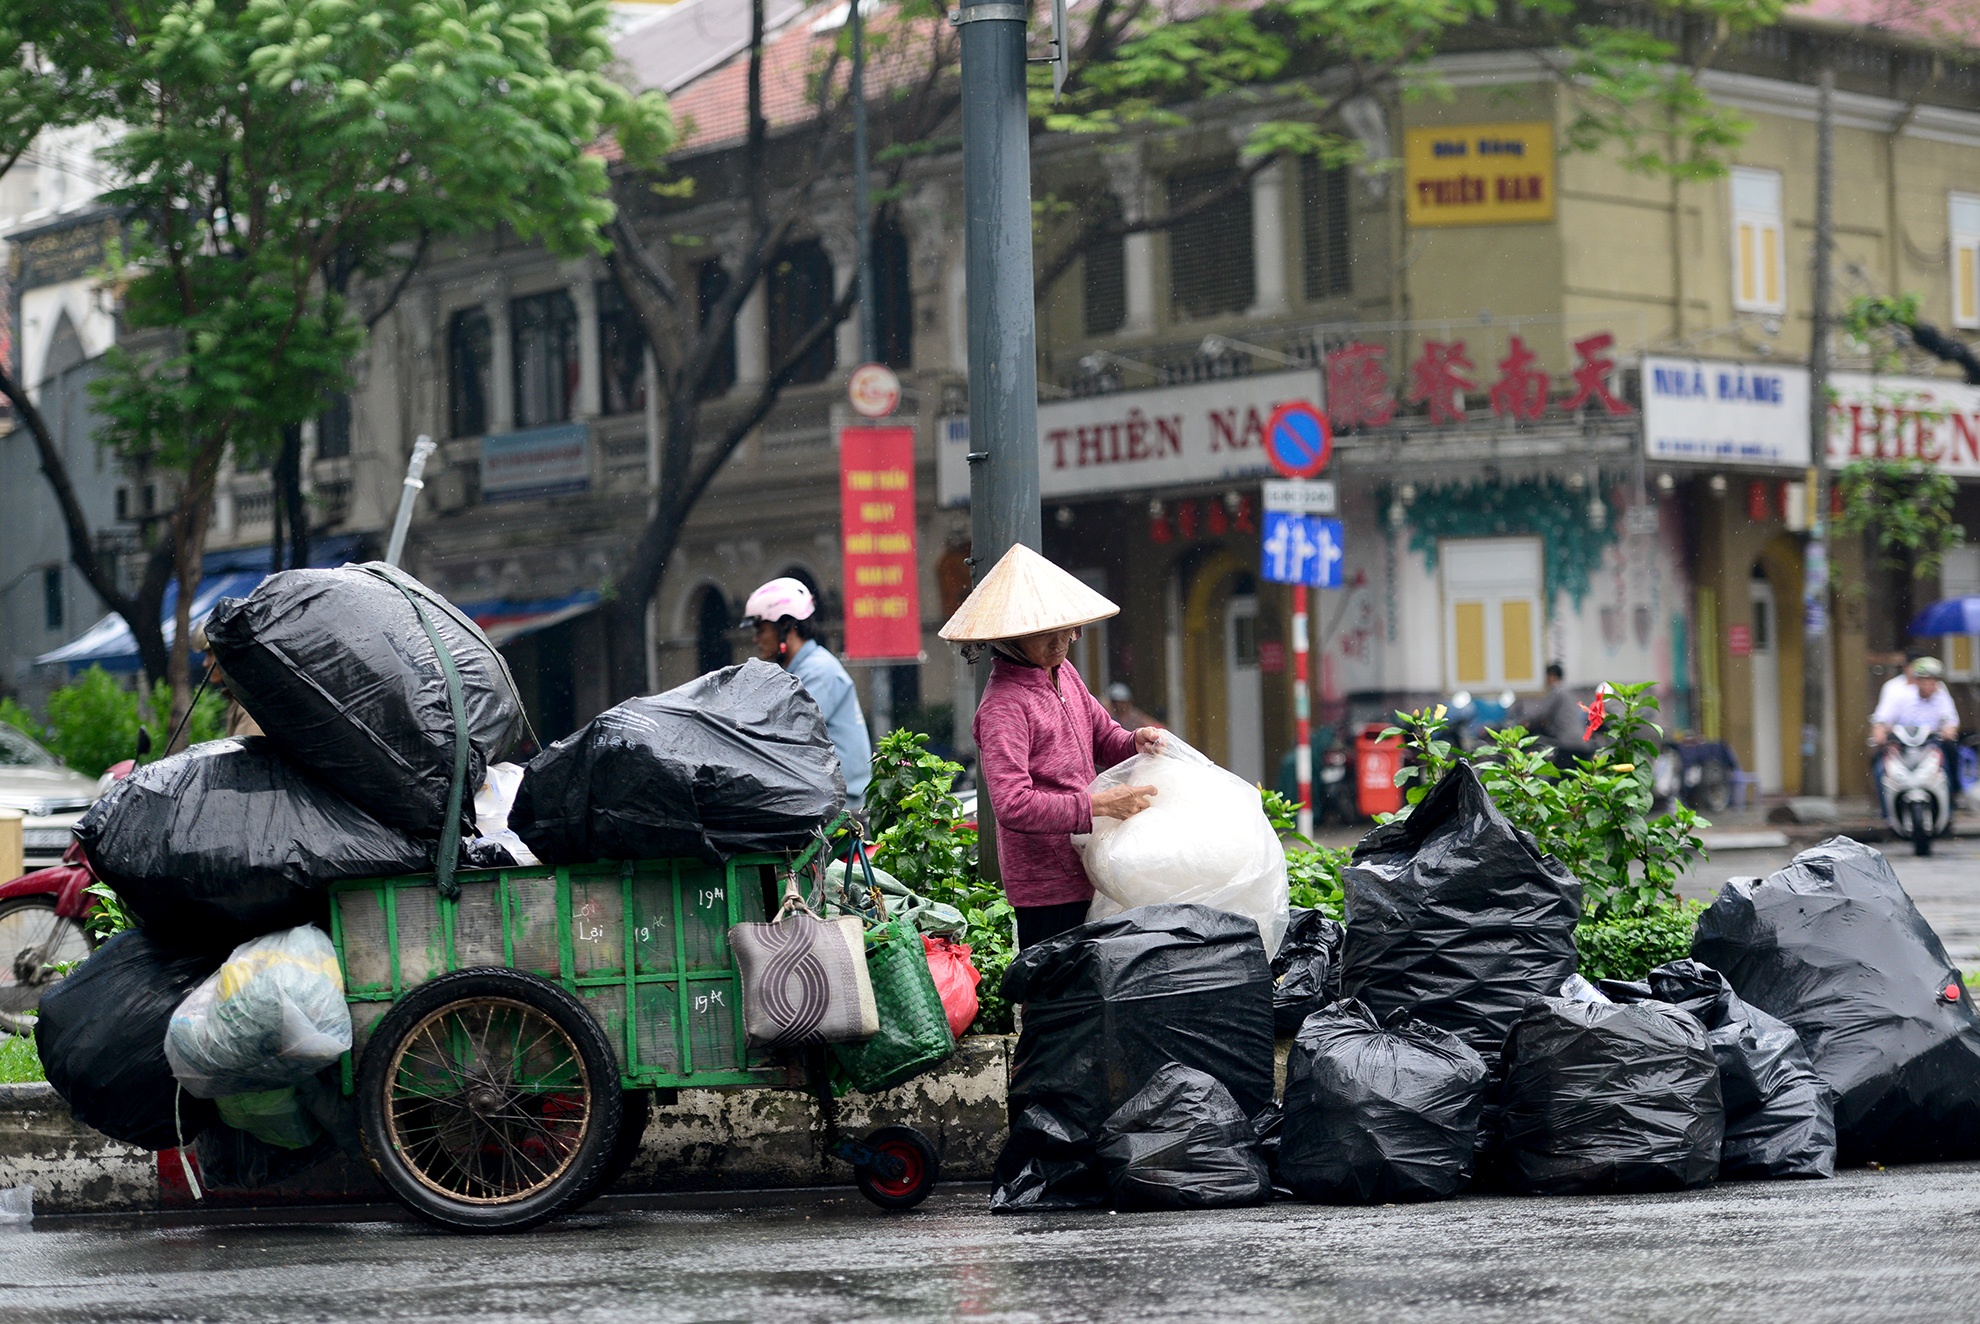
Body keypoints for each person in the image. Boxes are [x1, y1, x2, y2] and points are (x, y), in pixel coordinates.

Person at [940, 545, 1163, 951]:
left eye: (1068, 629)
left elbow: (1103, 737)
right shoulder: (1003, 706)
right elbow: (1013, 804)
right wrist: (1097, 805)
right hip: (1046, 886)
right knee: (1055, 1002)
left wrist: (1135, 741)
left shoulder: (1064, 674)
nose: (1064, 641)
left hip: (1088, 864)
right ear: (1012, 636)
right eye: (1049, 632)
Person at [741, 577, 872, 812]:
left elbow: (784, 736)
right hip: (821, 796)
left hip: (839, 803)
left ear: (786, 627)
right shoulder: (798, 672)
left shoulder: (818, 672)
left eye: (760, 629)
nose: (756, 639)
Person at [1869, 654, 1960, 815]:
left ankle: (1950, 807)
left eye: (1933, 680)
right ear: (1915, 680)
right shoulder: (1900, 694)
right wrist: (1880, 733)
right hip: (1903, 746)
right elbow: (1882, 719)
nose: (1928, 684)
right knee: (1880, 769)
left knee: (1948, 764)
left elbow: (1951, 719)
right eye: (1924, 679)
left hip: (1931, 745)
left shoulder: (1941, 694)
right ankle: (1887, 814)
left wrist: (1949, 731)